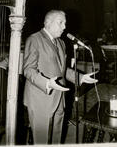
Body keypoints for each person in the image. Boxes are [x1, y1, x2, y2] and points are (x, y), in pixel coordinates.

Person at [23, 10, 97, 144]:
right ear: (48, 23)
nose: (64, 27)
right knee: (42, 140)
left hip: (59, 98)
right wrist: (46, 83)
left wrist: (79, 78)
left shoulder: (61, 43)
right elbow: (28, 70)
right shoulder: (34, 39)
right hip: (40, 99)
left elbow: (61, 70)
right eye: (60, 22)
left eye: (65, 23)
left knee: (56, 137)